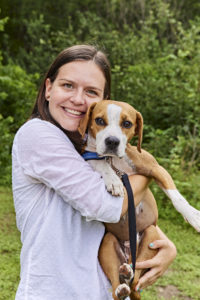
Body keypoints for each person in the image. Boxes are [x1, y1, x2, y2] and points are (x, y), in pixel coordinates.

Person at [12, 44, 176, 300]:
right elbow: (105, 205)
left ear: (104, 101)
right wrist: (148, 170)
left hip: (101, 289)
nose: (78, 99)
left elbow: (130, 217)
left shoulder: (91, 149)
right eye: (67, 85)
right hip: (55, 292)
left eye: (91, 91)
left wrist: (165, 246)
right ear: (48, 89)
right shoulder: (38, 135)